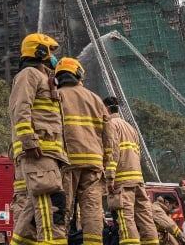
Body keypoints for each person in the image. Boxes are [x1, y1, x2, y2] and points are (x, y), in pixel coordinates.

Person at [8, 33, 68, 244]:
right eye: (50, 52)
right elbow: (20, 108)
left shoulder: (45, 78)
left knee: (32, 213)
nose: (54, 58)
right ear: (39, 51)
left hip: (49, 153)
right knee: (50, 206)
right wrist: (29, 141)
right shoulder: (29, 74)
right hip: (39, 151)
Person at [55, 57, 110, 245]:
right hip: (94, 164)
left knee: (62, 210)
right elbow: (108, 137)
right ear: (79, 74)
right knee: (92, 211)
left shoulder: (55, 97)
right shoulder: (95, 99)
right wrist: (108, 164)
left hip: (66, 163)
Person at [103, 96, 159, 245]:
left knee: (125, 220)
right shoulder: (131, 128)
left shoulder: (111, 125)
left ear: (106, 109)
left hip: (122, 182)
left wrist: (109, 177)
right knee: (145, 219)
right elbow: (138, 155)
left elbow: (112, 152)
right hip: (138, 181)